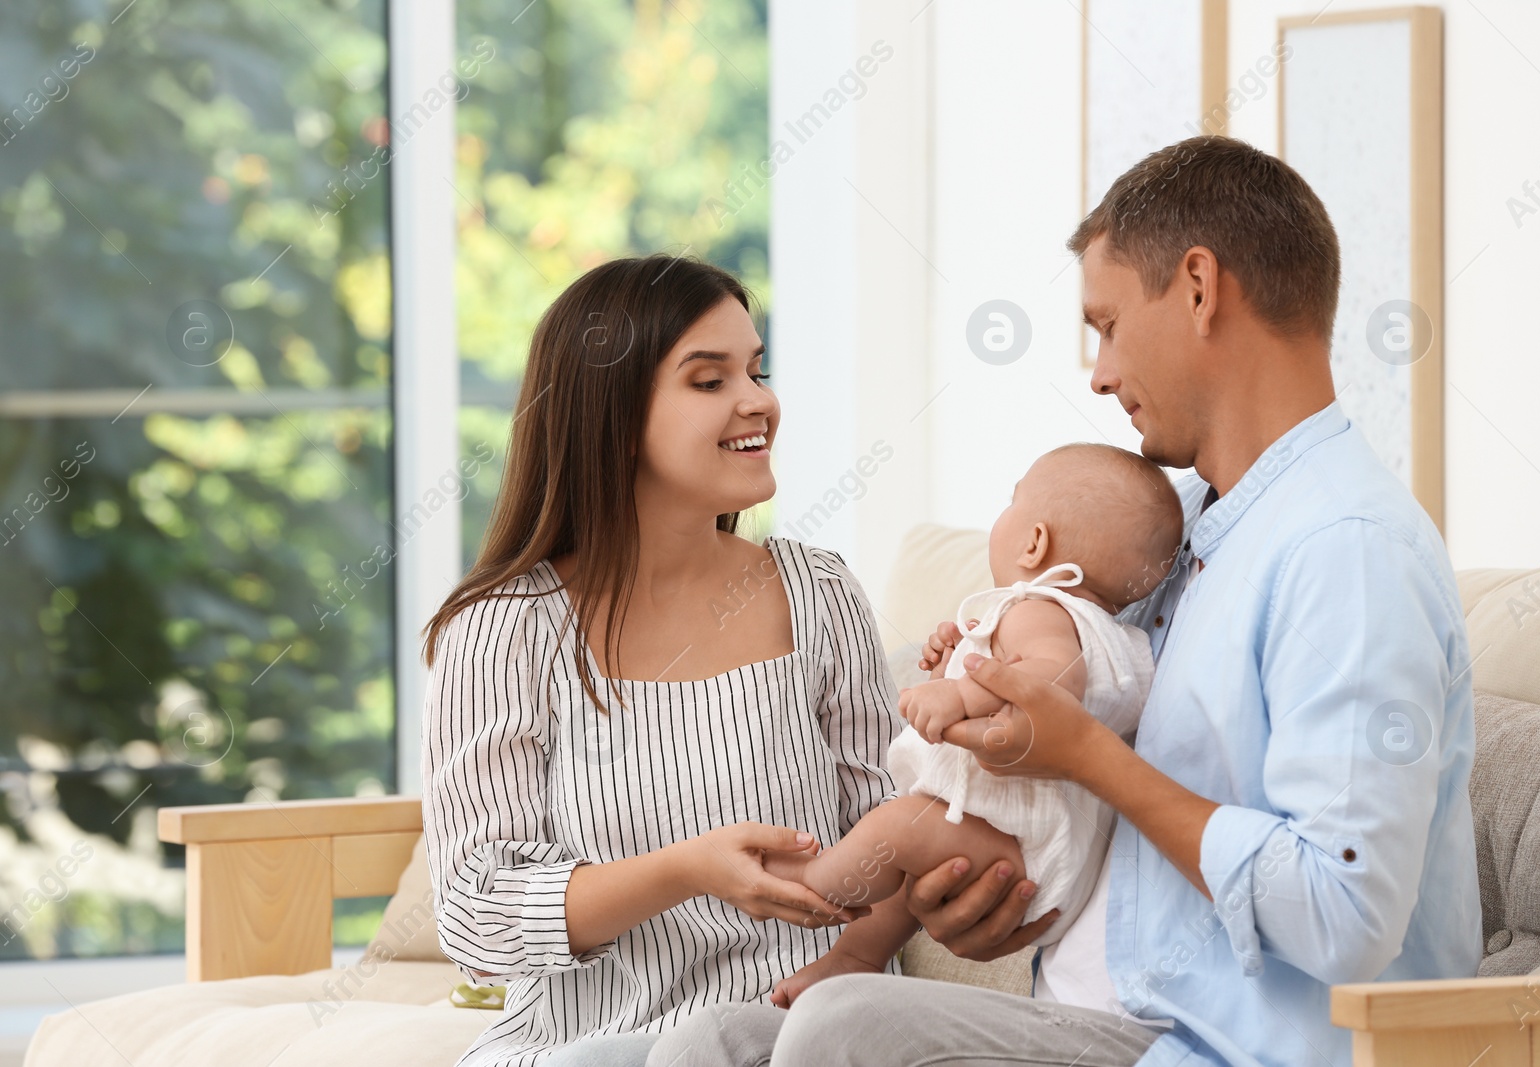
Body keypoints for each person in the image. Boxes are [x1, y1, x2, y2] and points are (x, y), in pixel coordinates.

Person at [649, 135, 1481, 1067]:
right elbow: (1087, 825)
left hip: (1232, 1052)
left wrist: (1086, 756)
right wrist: (978, 898)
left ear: (1200, 287)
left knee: (846, 1026)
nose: (1098, 373)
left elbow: (1345, 916)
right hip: (1103, 1025)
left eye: (1108, 324)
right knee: (712, 1041)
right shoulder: (1181, 537)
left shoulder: (1346, 549)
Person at [419, 255, 905, 1065]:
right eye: (708, 380)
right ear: (610, 413)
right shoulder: (502, 628)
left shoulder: (819, 594)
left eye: (755, 370)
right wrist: (685, 870)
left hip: (794, 1036)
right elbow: (476, 916)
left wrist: (850, 960)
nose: (759, 401)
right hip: (584, 1045)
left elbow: (893, 831)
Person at [758, 444, 1183, 1008]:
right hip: (1032, 851)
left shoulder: (1042, 609)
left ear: (1034, 542)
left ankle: (808, 887)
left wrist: (960, 691)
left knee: (899, 827)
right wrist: (956, 657)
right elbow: (1035, 667)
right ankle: (854, 958)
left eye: (1012, 502)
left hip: (1023, 847)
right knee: (908, 863)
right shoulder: (1106, 631)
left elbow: (1053, 678)